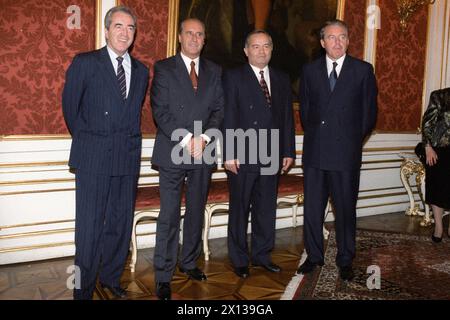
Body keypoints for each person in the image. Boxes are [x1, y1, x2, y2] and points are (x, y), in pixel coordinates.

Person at [62, 6, 149, 299]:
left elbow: (132, 113)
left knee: (119, 224)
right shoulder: (85, 63)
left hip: (127, 157)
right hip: (93, 158)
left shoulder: (141, 71)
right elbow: (71, 110)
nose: (125, 33)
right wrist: (93, 141)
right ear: (107, 30)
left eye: (131, 28)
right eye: (119, 27)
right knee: (88, 229)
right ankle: (81, 290)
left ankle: (111, 277)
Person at [297, 19, 377, 281]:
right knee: (313, 209)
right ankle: (314, 256)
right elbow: (307, 112)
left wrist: (351, 141)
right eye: (331, 37)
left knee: (345, 210)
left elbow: (368, 115)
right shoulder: (309, 71)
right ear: (322, 43)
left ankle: (345, 258)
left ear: (348, 40)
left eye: (342, 37)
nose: (337, 42)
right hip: (316, 152)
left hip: (346, 154)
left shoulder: (362, 70)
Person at [150, 18, 224, 300]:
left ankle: (189, 262)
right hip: (172, 150)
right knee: (169, 215)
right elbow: (160, 111)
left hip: (203, 150)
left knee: (196, 211)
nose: (194, 38)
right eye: (189, 33)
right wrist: (186, 139)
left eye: (200, 34)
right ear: (180, 37)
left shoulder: (215, 70)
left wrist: (203, 139)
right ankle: (163, 275)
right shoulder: (164, 67)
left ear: (205, 40)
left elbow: (219, 110)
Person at [222, 30, 296, 279]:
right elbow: (228, 115)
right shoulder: (233, 77)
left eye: (266, 46)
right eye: (256, 46)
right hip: (242, 154)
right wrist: (229, 153)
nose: (261, 51)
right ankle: (239, 259)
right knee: (240, 209)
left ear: (272, 50)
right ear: (246, 51)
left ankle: (262, 255)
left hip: (272, 154)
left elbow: (287, 117)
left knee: (266, 208)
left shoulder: (282, 78)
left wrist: (288, 150)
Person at [421, 88, 450, 242]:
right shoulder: (440, 95)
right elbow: (427, 122)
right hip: (439, 150)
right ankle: (439, 227)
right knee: (438, 189)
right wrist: (427, 147)